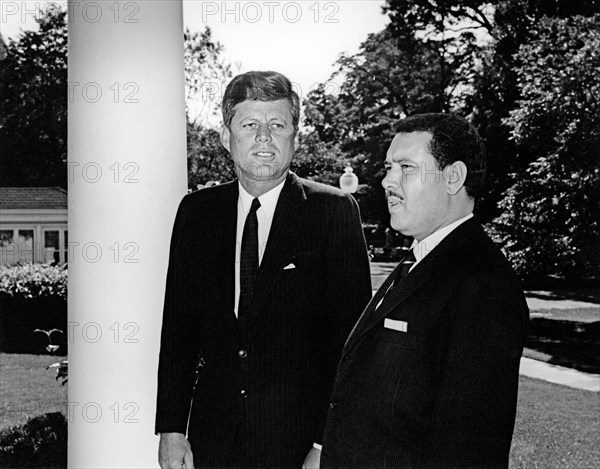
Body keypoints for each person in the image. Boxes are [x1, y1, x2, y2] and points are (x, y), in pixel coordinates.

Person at [155, 71, 372, 469]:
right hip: (212, 440)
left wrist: (325, 445)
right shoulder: (196, 214)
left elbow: (351, 345)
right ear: (226, 137)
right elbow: (178, 330)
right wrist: (171, 429)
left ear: (296, 137)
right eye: (249, 125)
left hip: (299, 444)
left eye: (277, 125)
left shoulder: (334, 212)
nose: (264, 139)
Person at [321, 113, 529, 468]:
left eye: (406, 167)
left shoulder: (483, 284)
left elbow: (469, 450)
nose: (388, 180)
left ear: (453, 177)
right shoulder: (418, 260)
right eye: (388, 167)